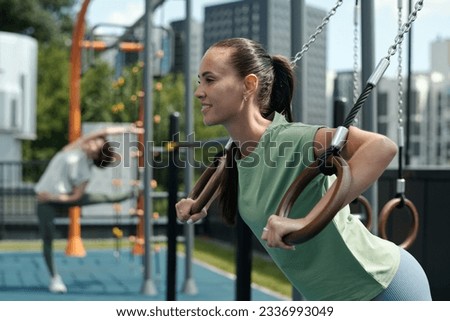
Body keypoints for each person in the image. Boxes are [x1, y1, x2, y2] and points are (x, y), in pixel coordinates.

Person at [175, 38, 432, 301]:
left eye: (210, 80)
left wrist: (308, 219)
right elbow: (241, 175)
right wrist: (199, 203)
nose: (199, 92)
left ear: (248, 85)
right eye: (200, 81)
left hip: (382, 286)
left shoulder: (291, 139)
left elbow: (382, 147)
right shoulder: (238, 154)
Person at [35, 125, 143, 293]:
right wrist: (128, 129)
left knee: (102, 198)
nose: (91, 142)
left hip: (60, 197)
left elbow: (76, 197)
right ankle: (54, 278)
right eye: (93, 141)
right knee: (47, 237)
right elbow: (102, 131)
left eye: (95, 145)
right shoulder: (75, 147)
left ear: (95, 154)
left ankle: (135, 192)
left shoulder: (86, 171)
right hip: (44, 200)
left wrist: (53, 197)